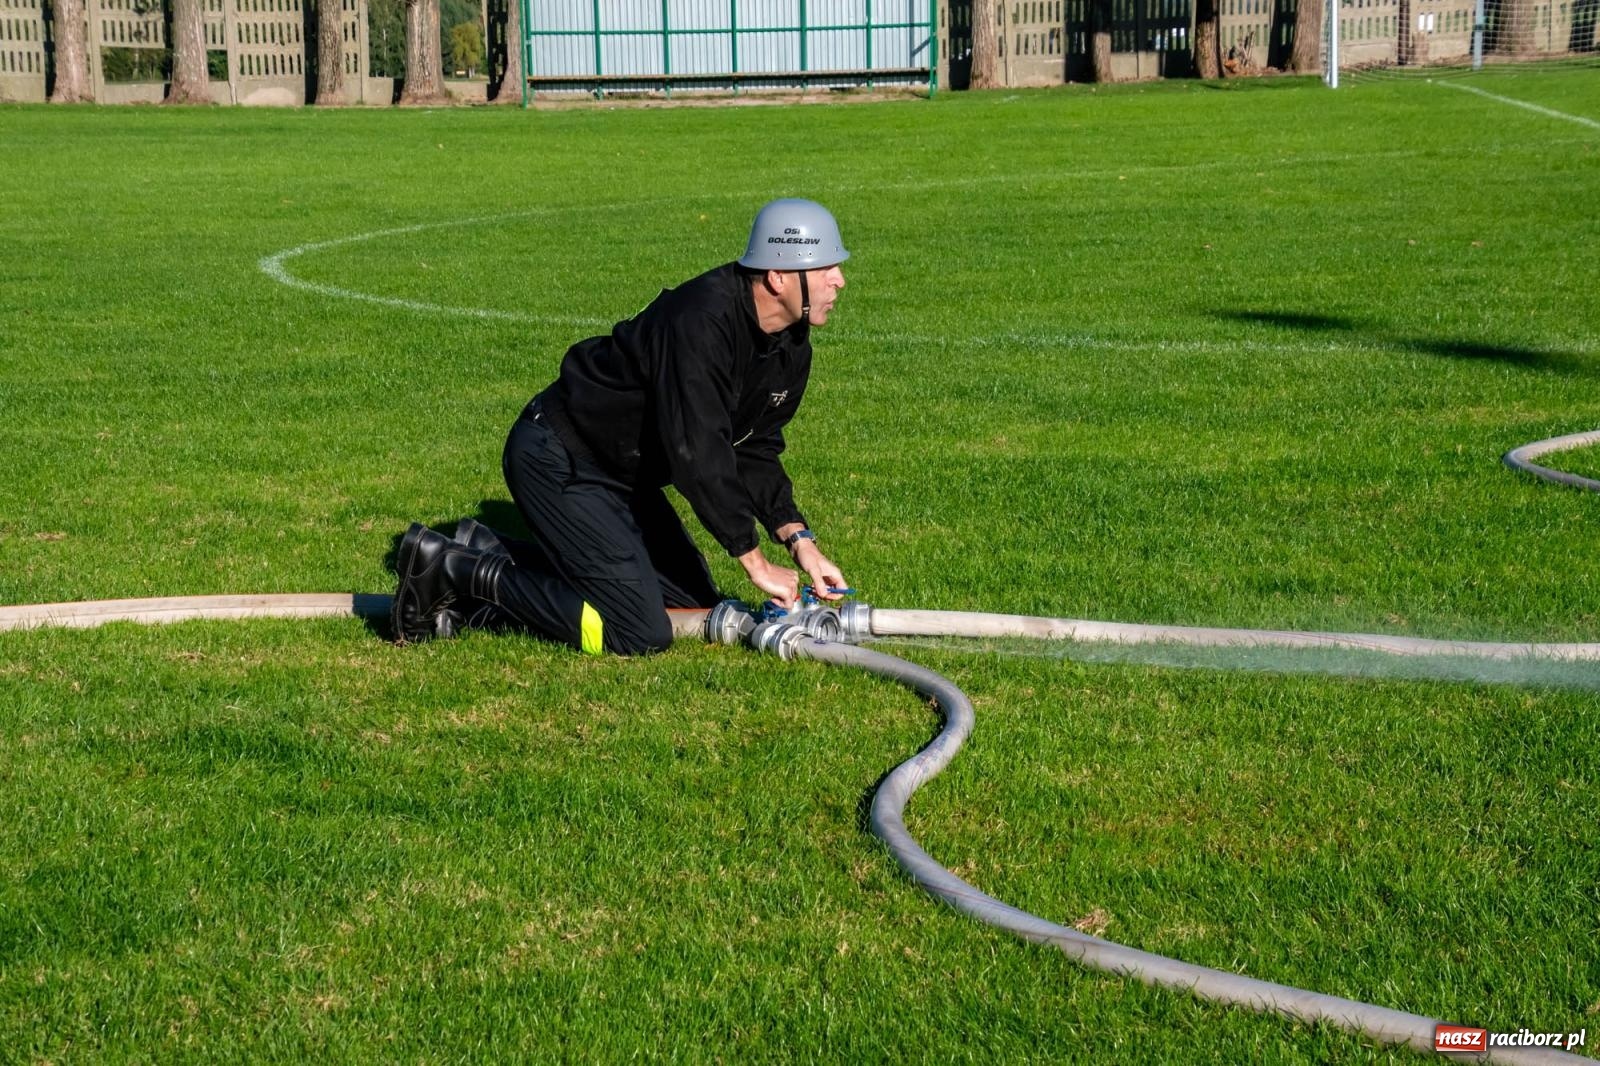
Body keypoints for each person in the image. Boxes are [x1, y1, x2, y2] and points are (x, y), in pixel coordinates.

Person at [391, 198, 850, 656]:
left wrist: (799, 541)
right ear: (778, 277)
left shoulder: (791, 345)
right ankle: (451, 569)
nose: (839, 281)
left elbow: (755, 447)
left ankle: (486, 548)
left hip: (625, 477)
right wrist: (754, 562)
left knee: (692, 604)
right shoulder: (699, 322)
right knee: (638, 631)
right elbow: (697, 453)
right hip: (560, 458)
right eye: (826, 267)